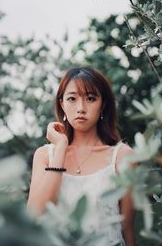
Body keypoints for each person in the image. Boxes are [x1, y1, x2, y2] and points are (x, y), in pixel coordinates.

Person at [27, 66, 136, 246]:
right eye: (72, 99)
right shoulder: (45, 155)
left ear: (103, 105)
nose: (81, 108)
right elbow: (36, 214)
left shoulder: (123, 157)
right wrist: (61, 147)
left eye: (91, 98)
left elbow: (127, 230)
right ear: (62, 104)